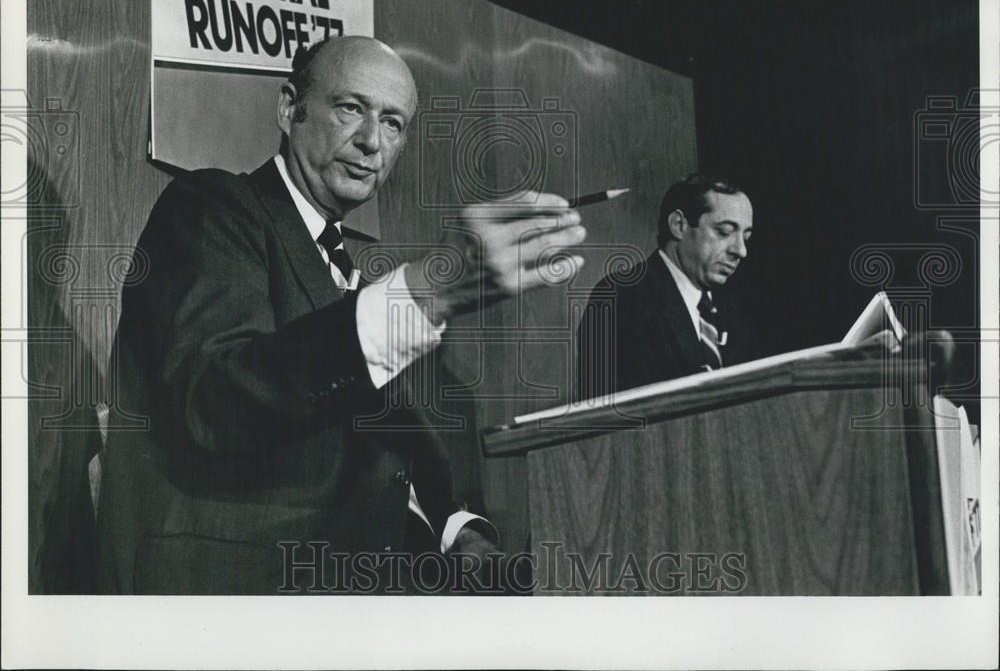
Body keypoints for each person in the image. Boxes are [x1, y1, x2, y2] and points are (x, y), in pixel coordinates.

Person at [97, 36, 586, 594]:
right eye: (351, 107)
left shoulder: (348, 271)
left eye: (394, 122)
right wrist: (425, 294)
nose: (371, 141)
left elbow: (386, 452)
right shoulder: (211, 208)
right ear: (289, 109)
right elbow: (218, 401)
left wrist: (457, 528)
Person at [575, 173, 757, 401]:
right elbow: (613, 415)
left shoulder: (731, 306)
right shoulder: (618, 297)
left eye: (746, 237)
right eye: (724, 232)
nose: (740, 251)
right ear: (679, 225)